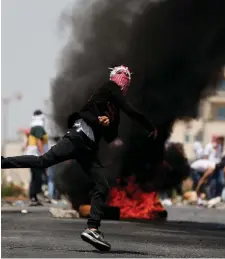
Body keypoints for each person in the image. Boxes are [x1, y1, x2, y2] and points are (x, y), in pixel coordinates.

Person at [1, 65, 157, 251]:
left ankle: (92, 229)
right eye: (121, 76)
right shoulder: (108, 89)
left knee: (102, 185)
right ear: (115, 78)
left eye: (126, 78)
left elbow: (110, 136)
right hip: (77, 137)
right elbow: (94, 112)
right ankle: (3, 162)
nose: (123, 80)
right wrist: (149, 126)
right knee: (43, 161)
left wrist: (107, 123)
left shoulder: (116, 114)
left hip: (88, 148)